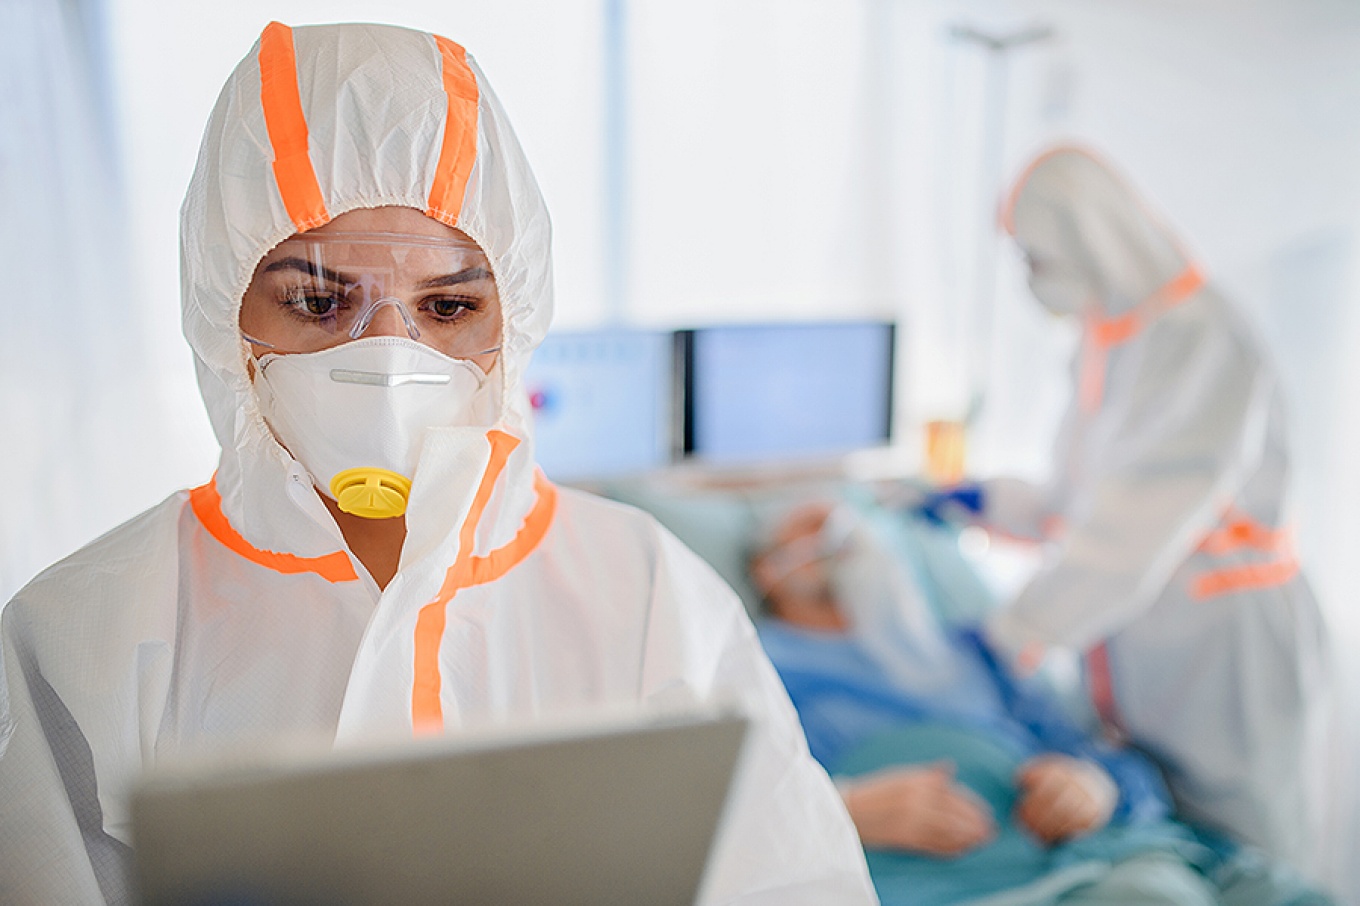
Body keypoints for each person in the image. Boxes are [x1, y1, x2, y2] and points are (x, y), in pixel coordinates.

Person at [0, 22, 875, 904]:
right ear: (221, 311)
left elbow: (794, 881)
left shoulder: (648, 591)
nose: (390, 360)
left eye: (449, 307)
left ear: (514, 323)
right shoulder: (85, 634)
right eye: (317, 301)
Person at [930, 146, 1333, 873]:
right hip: (1145, 650)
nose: (1032, 279)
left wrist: (1019, 630)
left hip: (1224, 648)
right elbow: (1078, 503)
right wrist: (981, 500)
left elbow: (1138, 525)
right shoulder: (1108, 343)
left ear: (1093, 236)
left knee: (1255, 854)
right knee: (1175, 842)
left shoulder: (1200, 336)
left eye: (1037, 259)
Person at [750, 498, 1333, 906]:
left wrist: (1095, 786)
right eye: (814, 524)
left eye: (852, 520)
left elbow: (1094, 753)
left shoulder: (974, 649)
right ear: (766, 568)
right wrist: (843, 808)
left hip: (1092, 847)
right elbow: (735, 808)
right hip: (959, 879)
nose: (845, 532)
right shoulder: (761, 667)